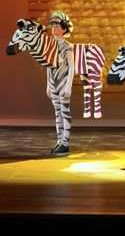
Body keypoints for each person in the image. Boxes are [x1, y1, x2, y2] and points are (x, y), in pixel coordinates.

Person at [47, 11, 74, 154]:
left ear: (64, 29)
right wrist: (48, 85)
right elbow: (49, 66)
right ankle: (59, 141)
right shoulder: (50, 45)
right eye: (53, 26)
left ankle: (65, 141)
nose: (54, 28)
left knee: (64, 111)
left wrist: (68, 85)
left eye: (57, 26)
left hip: (63, 82)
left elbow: (71, 67)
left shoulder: (67, 46)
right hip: (53, 83)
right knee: (57, 112)